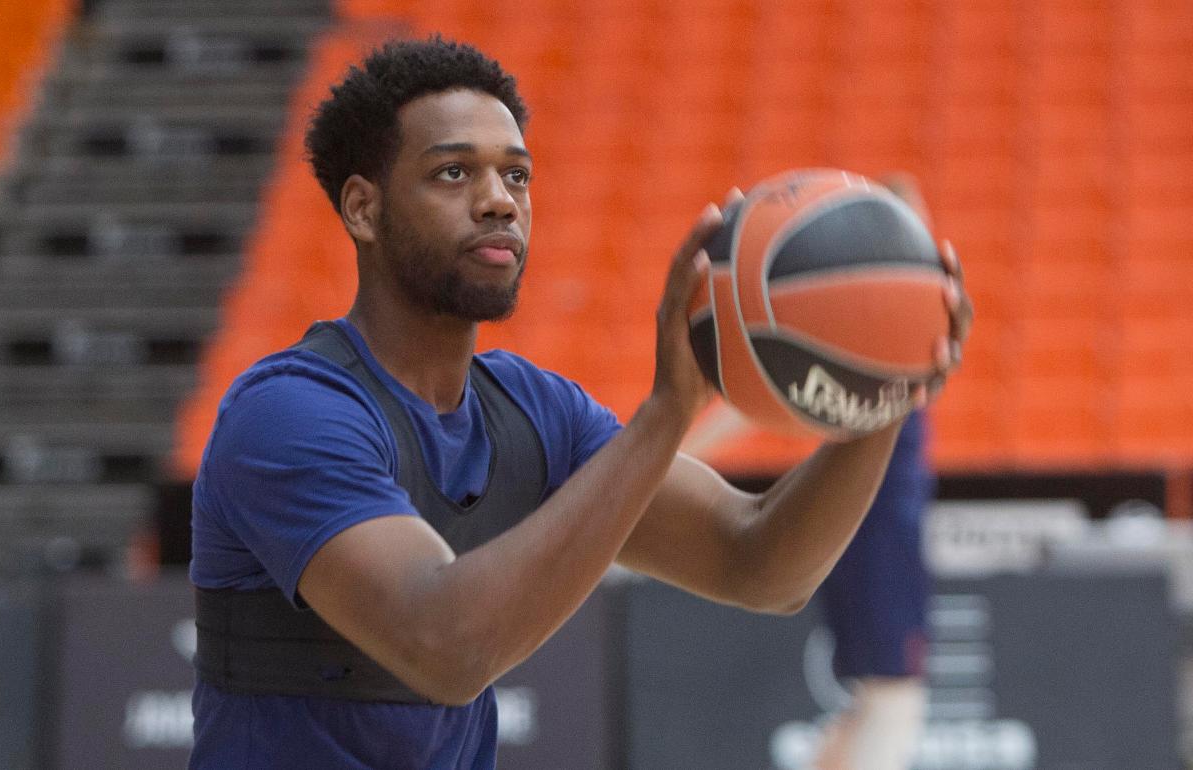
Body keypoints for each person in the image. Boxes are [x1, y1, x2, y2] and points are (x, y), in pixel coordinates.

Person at [188, 37, 972, 770]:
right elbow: (446, 648)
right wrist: (667, 412)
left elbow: (761, 563)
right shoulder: (288, 413)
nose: (500, 201)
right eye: (454, 173)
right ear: (362, 208)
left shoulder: (537, 412)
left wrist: (886, 385)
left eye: (517, 174)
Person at [682, 174, 939, 770]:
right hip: (879, 536)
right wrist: (682, 443)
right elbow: (759, 405)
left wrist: (684, 443)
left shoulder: (863, 336)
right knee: (893, 704)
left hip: (859, 530)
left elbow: (766, 398)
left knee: (870, 708)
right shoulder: (885, 335)